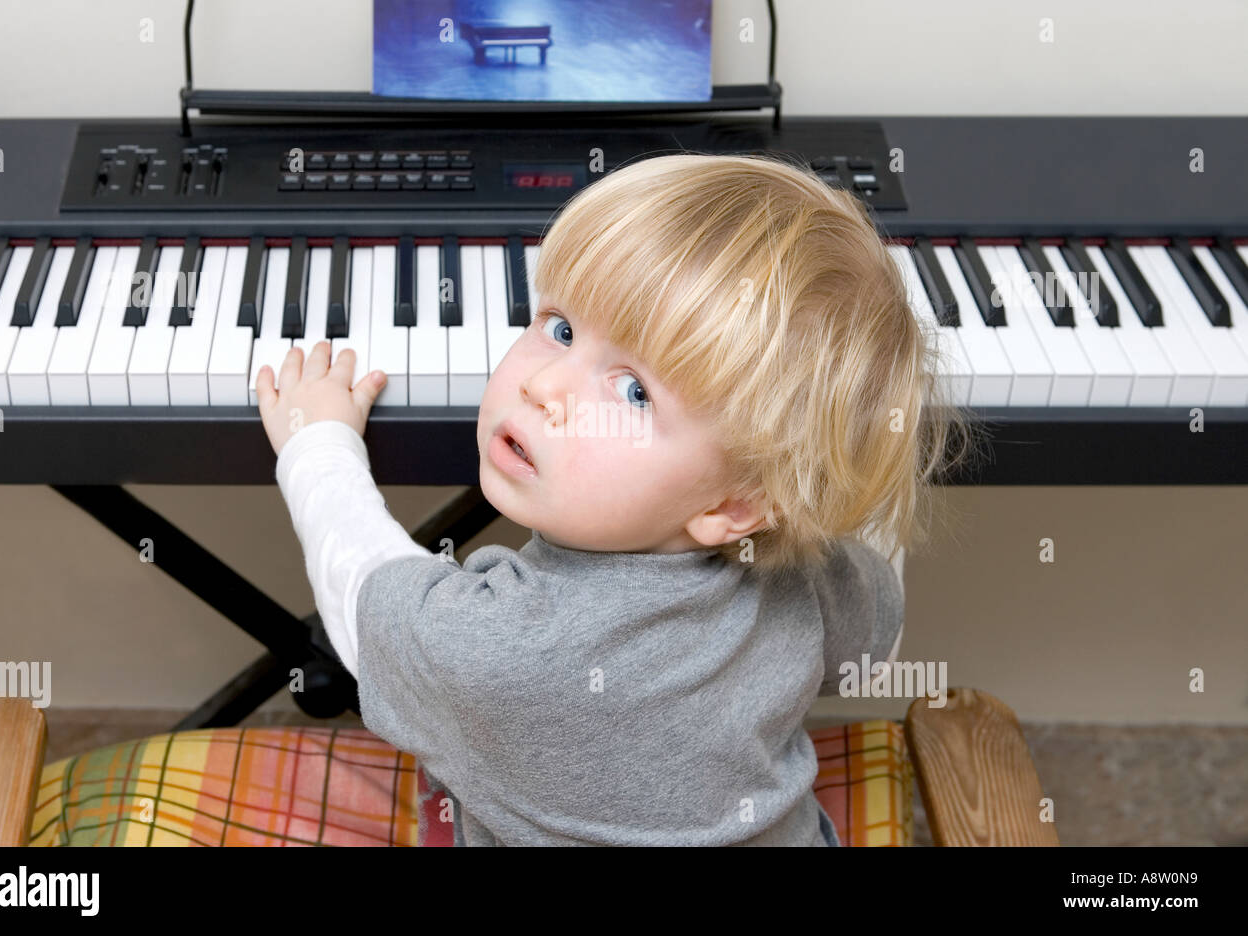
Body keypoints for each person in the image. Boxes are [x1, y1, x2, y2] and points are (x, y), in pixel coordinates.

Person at [257, 152, 973, 846]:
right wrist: (832, 464)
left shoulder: (494, 648)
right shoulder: (809, 575)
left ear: (733, 507)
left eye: (633, 391)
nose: (546, 387)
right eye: (561, 328)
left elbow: (364, 598)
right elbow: (875, 638)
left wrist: (315, 442)